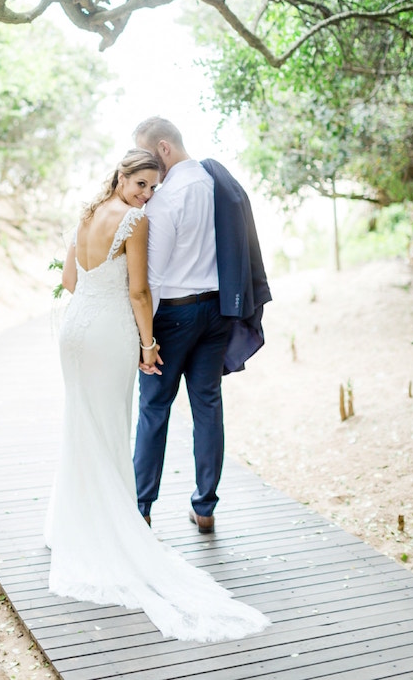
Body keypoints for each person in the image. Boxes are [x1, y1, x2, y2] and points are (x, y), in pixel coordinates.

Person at [45, 148, 270, 642]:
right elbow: (139, 293)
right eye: (140, 183)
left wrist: (99, 301)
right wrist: (148, 344)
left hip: (75, 329)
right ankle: (119, 525)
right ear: (122, 176)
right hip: (108, 332)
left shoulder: (87, 212)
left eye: (152, 187)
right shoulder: (134, 220)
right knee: (109, 427)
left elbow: (68, 281)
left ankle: (76, 523)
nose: (146, 194)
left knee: (84, 425)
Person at [132, 117, 272, 533]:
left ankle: (141, 507)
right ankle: (205, 506)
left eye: (145, 154)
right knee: (208, 407)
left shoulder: (164, 201)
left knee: (154, 409)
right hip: (217, 312)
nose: (144, 165)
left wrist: (145, 339)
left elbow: (152, 279)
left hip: (173, 316)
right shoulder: (217, 184)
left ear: (163, 149)